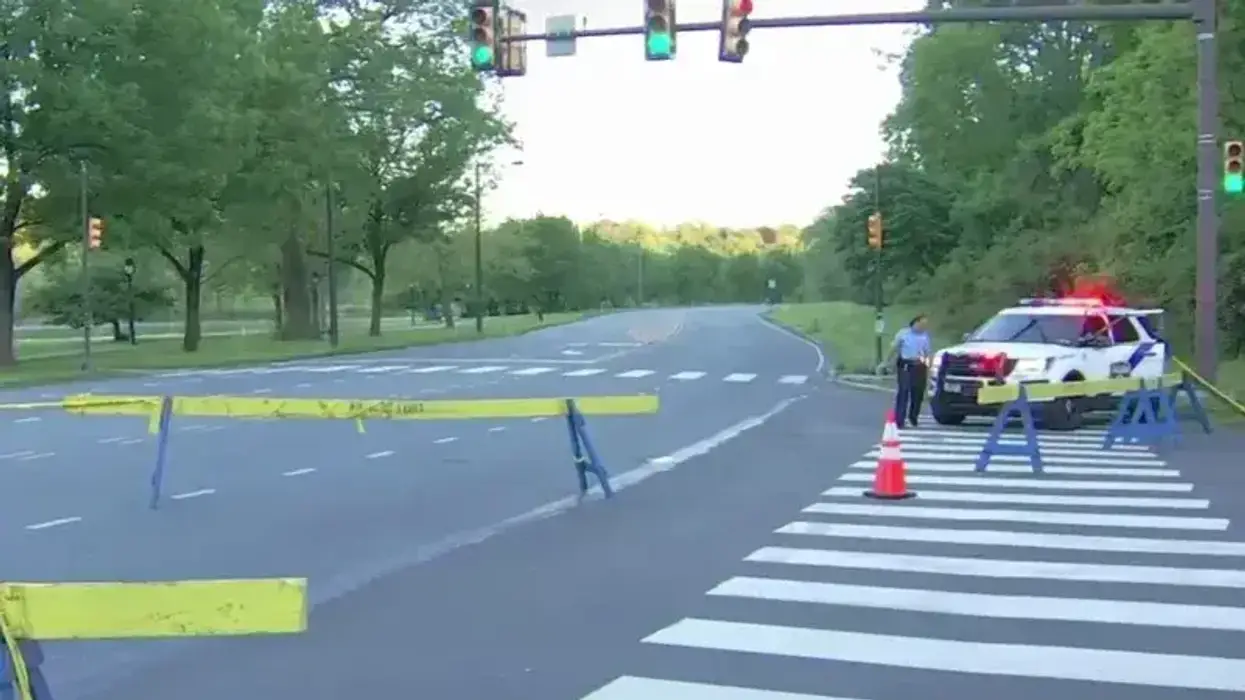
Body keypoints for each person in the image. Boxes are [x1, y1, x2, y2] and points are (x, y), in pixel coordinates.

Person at [881, 314, 932, 428]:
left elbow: (927, 353)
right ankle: (900, 420)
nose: (924, 327)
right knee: (904, 391)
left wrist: (929, 369)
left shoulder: (925, 336)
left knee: (918, 393)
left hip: (920, 365)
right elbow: (894, 348)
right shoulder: (904, 334)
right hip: (906, 365)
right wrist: (886, 362)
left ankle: (913, 417)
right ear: (916, 323)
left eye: (925, 325)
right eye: (922, 324)